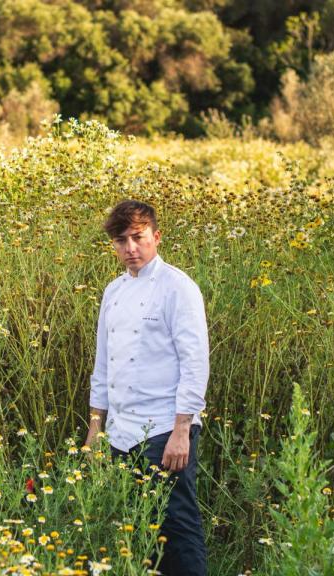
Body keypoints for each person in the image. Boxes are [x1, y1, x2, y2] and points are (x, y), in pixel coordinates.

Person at [84, 199, 209, 575]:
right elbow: (103, 365)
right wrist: (95, 431)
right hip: (121, 434)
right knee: (133, 531)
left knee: (177, 529)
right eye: (121, 241)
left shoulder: (178, 288)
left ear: (156, 236)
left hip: (163, 430)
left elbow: (195, 362)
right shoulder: (113, 292)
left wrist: (182, 431)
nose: (130, 248)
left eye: (137, 237)